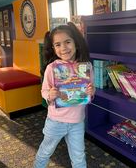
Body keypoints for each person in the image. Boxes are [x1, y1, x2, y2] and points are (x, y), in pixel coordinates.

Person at [34, 22, 95, 168]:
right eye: (58, 44)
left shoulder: (86, 67)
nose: (64, 48)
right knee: (45, 151)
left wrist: (91, 92)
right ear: (53, 48)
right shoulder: (52, 68)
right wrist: (50, 94)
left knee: (79, 156)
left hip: (77, 121)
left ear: (76, 43)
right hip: (56, 121)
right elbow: (44, 91)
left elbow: (90, 91)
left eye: (67, 42)